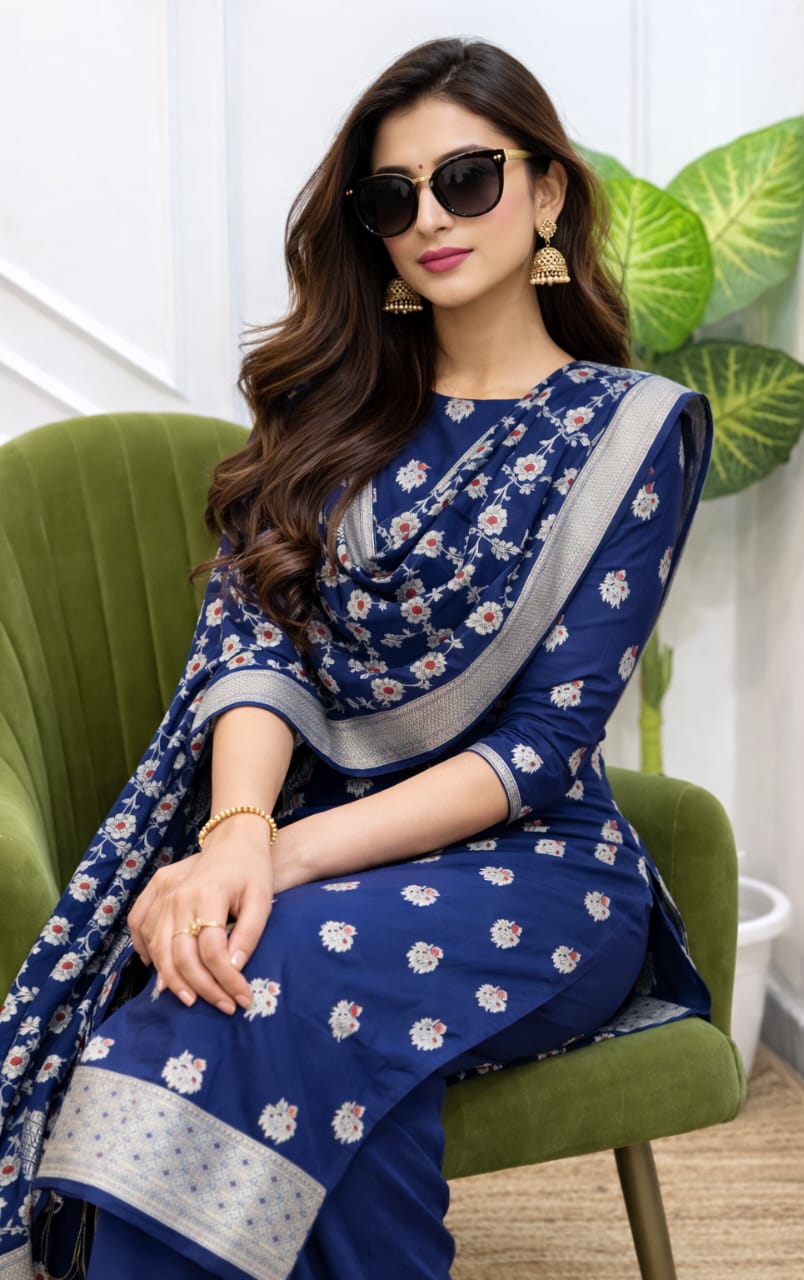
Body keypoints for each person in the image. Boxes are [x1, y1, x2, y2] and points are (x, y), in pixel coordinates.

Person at [0, 35, 713, 1280]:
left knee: (248, 964)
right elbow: (253, 652)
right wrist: (231, 832)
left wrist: (271, 859)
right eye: (395, 197)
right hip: (316, 859)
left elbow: (542, 749)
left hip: (539, 875)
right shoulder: (328, 418)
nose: (431, 216)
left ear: (547, 192)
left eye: (469, 179)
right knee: (280, 1018)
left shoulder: (630, 431)